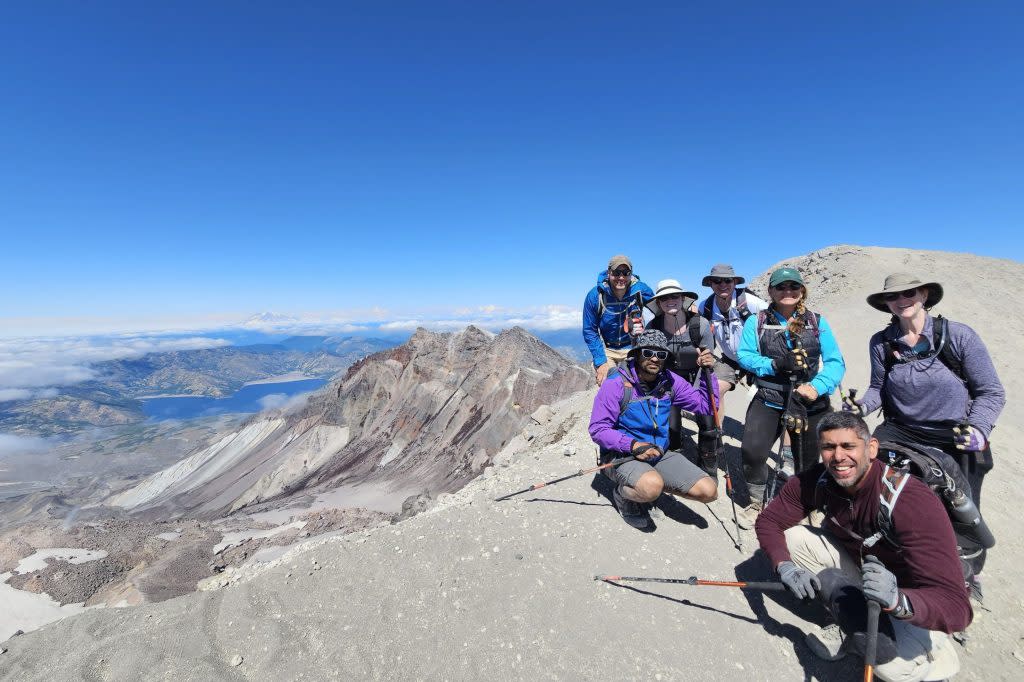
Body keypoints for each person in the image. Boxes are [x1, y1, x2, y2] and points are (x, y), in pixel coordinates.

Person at [756, 411, 970, 681]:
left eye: (848, 446)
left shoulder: (912, 501)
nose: (838, 457)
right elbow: (769, 522)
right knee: (792, 540)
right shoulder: (820, 479)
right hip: (864, 570)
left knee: (891, 668)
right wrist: (784, 566)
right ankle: (848, 622)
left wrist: (898, 600)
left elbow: (957, 608)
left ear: (871, 449)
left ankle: (939, 657)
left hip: (912, 596)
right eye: (828, 447)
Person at [846, 273, 1005, 601]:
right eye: (894, 296)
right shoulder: (882, 342)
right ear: (886, 303)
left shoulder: (958, 336)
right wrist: (861, 407)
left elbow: (991, 392)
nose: (902, 299)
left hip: (956, 436)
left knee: (960, 513)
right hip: (900, 429)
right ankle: (890, 560)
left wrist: (979, 428)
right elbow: (878, 388)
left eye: (910, 292)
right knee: (878, 491)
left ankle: (963, 581)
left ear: (925, 295)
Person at [736, 267, 845, 528]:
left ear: (801, 291)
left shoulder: (817, 322)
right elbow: (745, 356)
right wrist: (775, 364)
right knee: (752, 452)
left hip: (809, 403)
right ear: (771, 291)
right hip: (770, 398)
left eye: (793, 287)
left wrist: (817, 386)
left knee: (807, 461)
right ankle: (756, 502)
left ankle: (806, 504)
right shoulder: (757, 321)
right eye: (781, 287)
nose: (787, 292)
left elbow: (835, 362)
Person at [588, 329, 719, 530]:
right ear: (638, 354)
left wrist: (708, 373)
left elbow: (706, 406)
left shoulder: (670, 382)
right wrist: (633, 445)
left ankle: (650, 483)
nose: (655, 359)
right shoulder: (616, 385)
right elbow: (598, 429)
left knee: (709, 491)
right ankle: (625, 495)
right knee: (651, 487)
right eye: (648, 353)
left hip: (659, 452)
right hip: (622, 454)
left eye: (661, 354)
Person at [645, 278, 721, 475]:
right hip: (668, 382)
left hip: (697, 378)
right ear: (659, 303)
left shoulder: (699, 325)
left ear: (682, 298)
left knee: (708, 423)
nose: (670, 300)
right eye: (664, 298)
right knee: (671, 428)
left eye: (675, 296)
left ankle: (708, 468)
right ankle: (676, 466)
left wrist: (707, 359)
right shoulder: (653, 327)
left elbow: (709, 357)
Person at [697, 264, 768, 407]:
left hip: (756, 357)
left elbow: (775, 322)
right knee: (714, 389)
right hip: (730, 359)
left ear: (735, 282)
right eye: (717, 281)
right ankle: (717, 429)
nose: (722, 284)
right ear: (710, 284)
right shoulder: (706, 307)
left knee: (765, 396)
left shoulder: (751, 302)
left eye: (727, 280)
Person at [582, 255, 654, 386]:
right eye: (616, 273)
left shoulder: (640, 290)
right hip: (608, 350)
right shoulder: (595, 296)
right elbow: (590, 330)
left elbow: (661, 307)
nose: (621, 277)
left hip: (634, 346)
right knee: (609, 386)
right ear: (609, 272)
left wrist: (684, 307)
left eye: (626, 273)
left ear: (631, 274)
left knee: (638, 387)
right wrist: (601, 362)